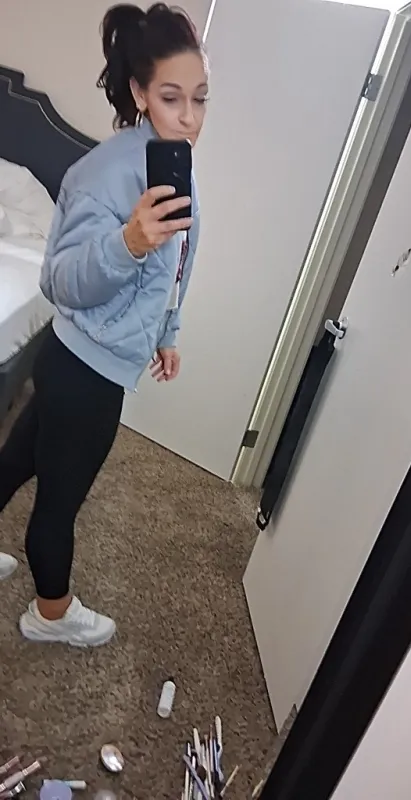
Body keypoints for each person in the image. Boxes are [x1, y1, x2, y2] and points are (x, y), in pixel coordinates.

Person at [0, 2, 209, 646]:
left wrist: (167, 332)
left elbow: (176, 261)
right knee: (59, 503)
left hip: (80, 362)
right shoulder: (103, 174)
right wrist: (128, 243)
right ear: (140, 93)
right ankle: (51, 614)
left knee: (18, 459)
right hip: (85, 372)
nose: (190, 116)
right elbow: (60, 280)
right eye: (172, 98)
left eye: (200, 98)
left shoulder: (169, 159)